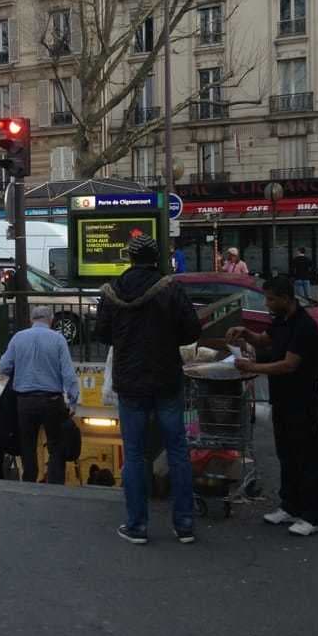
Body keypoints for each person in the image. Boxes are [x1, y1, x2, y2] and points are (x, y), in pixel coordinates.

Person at [96, 234, 202, 545]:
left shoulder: (112, 291)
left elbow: (102, 333)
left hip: (129, 382)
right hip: (167, 379)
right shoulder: (171, 288)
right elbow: (192, 330)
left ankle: (137, 525)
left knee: (134, 454)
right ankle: (183, 525)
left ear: (129, 258)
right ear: (157, 259)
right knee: (178, 451)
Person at [228, 274, 318, 536]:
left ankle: (315, 515)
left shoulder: (303, 326)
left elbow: (289, 364)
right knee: (286, 453)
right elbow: (264, 340)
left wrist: (252, 367)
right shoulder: (281, 320)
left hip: (302, 400)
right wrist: (245, 333)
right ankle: (290, 506)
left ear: (286, 298)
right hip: (282, 399)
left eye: (271, 299)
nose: (267, 304)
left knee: (307, 456)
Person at [0, 304, 79, 484]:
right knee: (55, 444)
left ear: (31, 320)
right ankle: (55, 482)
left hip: (25, 401)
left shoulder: (18, 338)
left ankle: (29, 479)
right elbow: (68, 374)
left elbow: (4, 366)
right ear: (51, 320)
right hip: (52, 400)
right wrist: (73, 401)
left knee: (28, 443)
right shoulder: (58, 339)